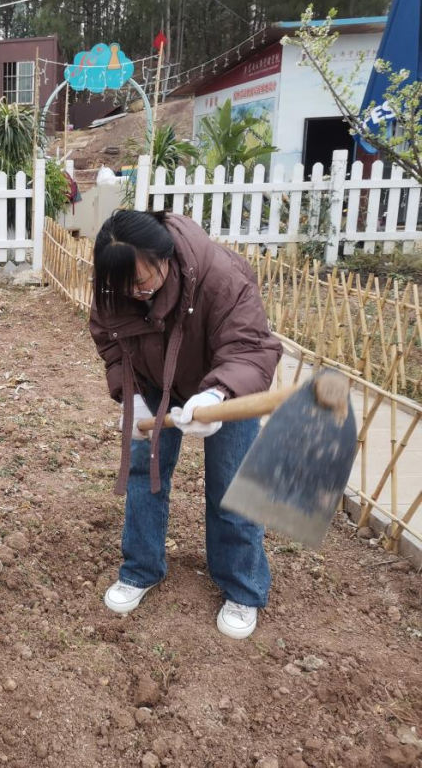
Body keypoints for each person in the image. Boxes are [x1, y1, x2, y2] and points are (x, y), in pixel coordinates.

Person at [89, 210, 282, 640]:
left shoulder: (223, 278)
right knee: (145, 471)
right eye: (124, 288)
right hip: (153, 381)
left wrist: (217, 394)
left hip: (226, 389)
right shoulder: (114, 286)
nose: (135, 294)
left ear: (167, 257)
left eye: (143, 283)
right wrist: (132, 395)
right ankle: (141, 568)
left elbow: (250, 350)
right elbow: (110, 339)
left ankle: (243, 588)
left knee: (233, 483)